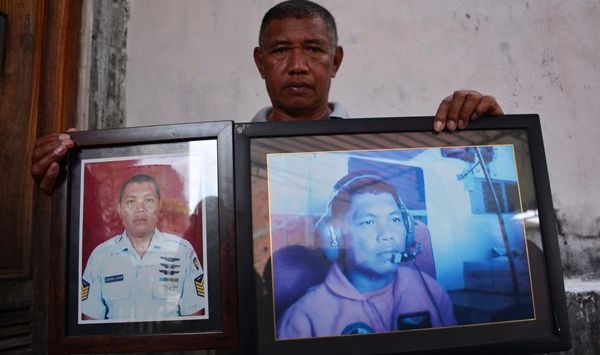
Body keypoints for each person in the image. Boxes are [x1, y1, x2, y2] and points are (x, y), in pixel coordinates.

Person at [30, 0, 504, 195]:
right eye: (281, 50)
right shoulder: (221, 163)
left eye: (314, 50)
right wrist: (80, 182)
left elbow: (455, 185)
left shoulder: (383, 154)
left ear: (336, 61)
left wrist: (493, 136)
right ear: (260, 62)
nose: (297, 65)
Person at [276, 172, 456, 339]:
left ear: (408, 229)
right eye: (368, 221)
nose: (387, 234)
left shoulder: (432, 291)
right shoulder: (303, 320)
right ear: (335, 236)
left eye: (395, 219)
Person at [81, 174, 206, 321]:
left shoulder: (183, 252)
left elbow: (194, 320)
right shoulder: (100, 256)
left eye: (149, 200)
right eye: (131, 201)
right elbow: (91, 322)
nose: (140, 209)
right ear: (120, 209)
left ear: (159, 205)